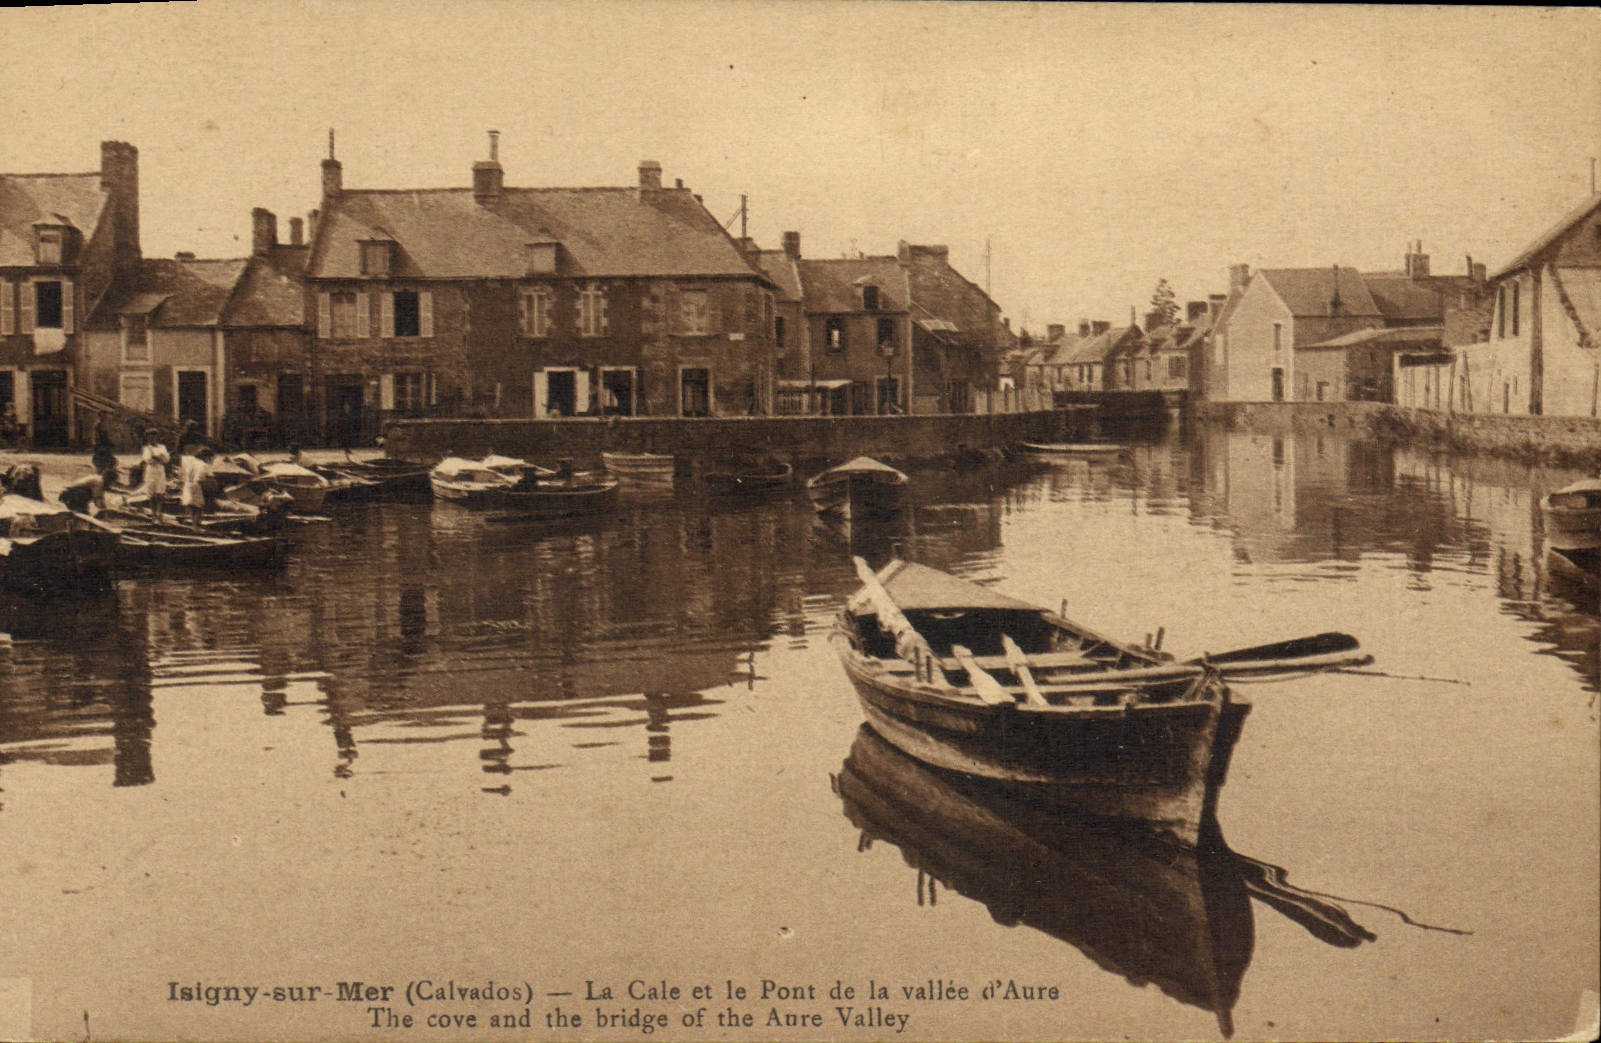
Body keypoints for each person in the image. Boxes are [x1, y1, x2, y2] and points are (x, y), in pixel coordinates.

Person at [140, 428, 171, 522]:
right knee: (152, 493)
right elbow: (148, 460)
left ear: (157, 437)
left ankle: (159, 512)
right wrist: (159, 458)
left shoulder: (162, 447)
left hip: (160, 470)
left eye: (154, 436)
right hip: (151, 471)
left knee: (160, 493)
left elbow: (167, 459)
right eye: (149, 437)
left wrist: (157, 457)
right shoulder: (146, 448)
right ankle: (154, 514)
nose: (152, 438)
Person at [179, 446, 213, 529]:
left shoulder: (191, 463)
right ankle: (195, 525)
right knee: (198, 507)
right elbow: (201, 477)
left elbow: (184, 474)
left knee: (192, 505)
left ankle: (194, 523)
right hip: (196, 485)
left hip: (188, 484)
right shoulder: (203, 465)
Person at [91, 412, 118, 487]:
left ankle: (105, 482)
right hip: (100, 447)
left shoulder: (103, 425)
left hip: (104, 447)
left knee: (108, 463)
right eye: (103, 416)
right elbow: (97, 438)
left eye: (105, 416)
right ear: (100, 416)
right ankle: (100, 482)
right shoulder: (98, 425)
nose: (105, 417)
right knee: (101, 465)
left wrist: (110, 443)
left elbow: (106, 437)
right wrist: (101, 445)